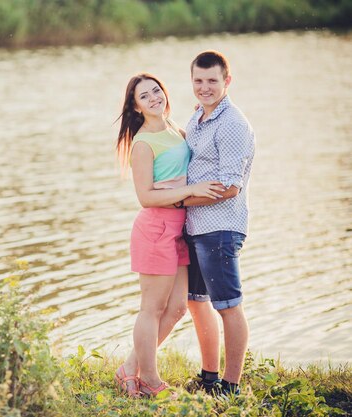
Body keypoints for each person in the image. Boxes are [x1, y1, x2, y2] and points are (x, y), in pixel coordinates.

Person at [114, 72, 226, 397]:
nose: (154, 98)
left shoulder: (177, 129)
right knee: (151, 308)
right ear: (136, 108)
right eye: (144, 97)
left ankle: (129, 368)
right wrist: (189, 190)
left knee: (177, 307)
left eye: (156, 91)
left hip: (180, 229)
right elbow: (146, 197)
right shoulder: (143, 143)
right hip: (156, 229)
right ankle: (149, 379)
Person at [180, 50, 256, 396]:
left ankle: (231, 384)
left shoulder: (232, 124)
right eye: (198, 80)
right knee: (196, 301)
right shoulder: (198, 118)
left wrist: (180, 198)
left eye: (212, 80)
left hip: (220, 229)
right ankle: (209, 376)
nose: (204, 87)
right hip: (195, 227)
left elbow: (229, 187)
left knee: (227, 305)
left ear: (227, 81)